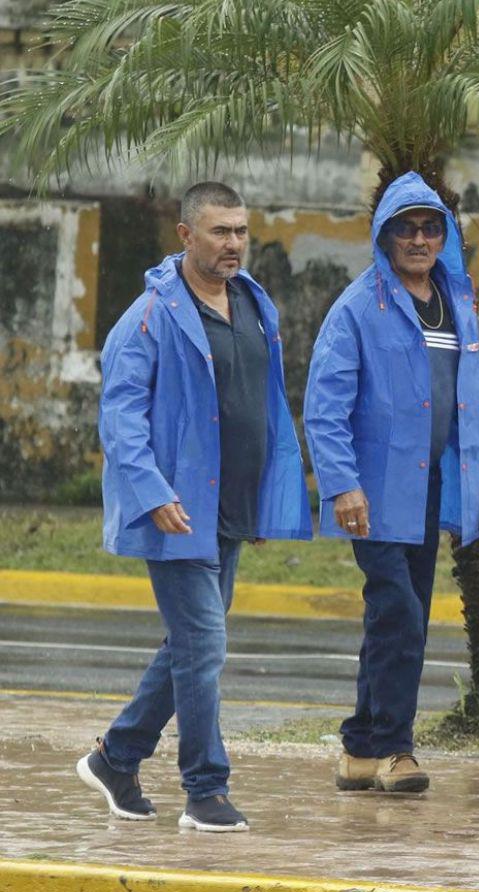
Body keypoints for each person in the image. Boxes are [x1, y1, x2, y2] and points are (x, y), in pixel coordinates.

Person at [78, 182, 312, 832]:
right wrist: (153, 495)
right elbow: (120, 419)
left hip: (229, 509)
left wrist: (264, 498)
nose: (234, 242)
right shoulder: (150, 317)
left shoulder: (251, 305)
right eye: (220, 231)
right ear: (186, 235)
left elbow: (262, 407)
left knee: (186, 648)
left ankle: (115, 758)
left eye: (240, 230)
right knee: (205, 646)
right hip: (175, 511)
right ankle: (205, 789)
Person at [305, 172, 479, 795]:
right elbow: (325, 408)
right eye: (407, 228)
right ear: (385, 235)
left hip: (434, 491)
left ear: (444, 235)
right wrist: (342, 485)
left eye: (431, 228)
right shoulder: (356, 309)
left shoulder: (457, 306)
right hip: (372, 495)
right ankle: (396, 750)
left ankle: (358, 748)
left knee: (399, 616)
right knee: (398, 609)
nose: (420, 239)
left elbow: (474, 401)